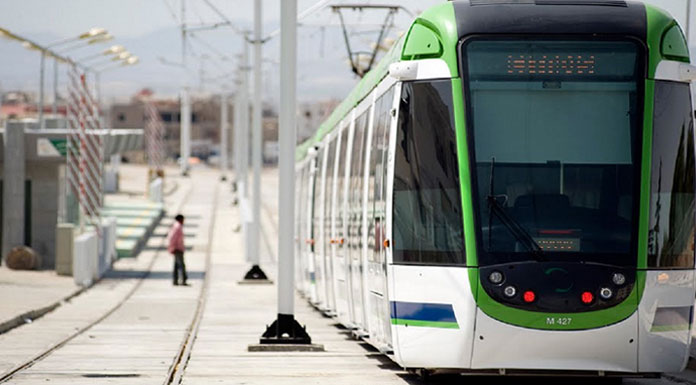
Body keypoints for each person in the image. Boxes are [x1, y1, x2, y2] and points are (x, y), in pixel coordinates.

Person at [167, 214, 187, 286]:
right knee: (181, 265)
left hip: (178, 248)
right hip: (178, 248)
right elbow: (172, 238)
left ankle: (175, 280)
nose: (184, 221)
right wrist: (173, 247)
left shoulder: (176, 226)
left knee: (176, 265)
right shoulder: (177, 227)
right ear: (180, 219)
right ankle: (183, 280)